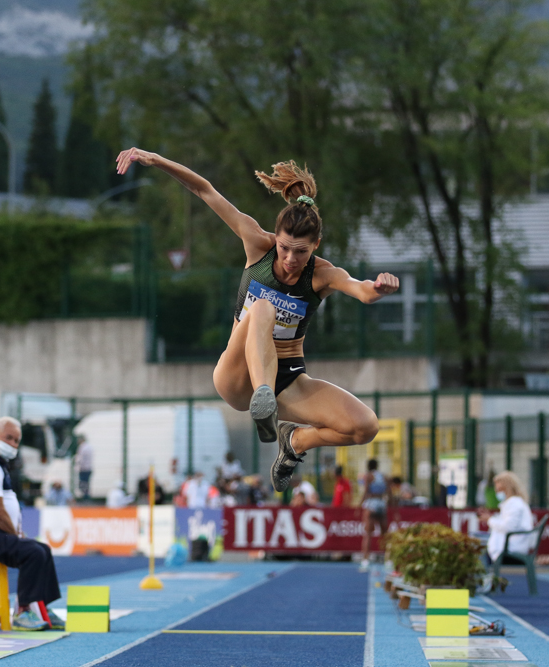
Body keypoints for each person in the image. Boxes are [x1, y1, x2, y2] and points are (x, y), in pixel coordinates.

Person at [116, 150, 398, 494]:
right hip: (238, 376)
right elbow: (205, 190)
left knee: (365, 426)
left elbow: (361, 289)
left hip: (287, 378)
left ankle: (294, 441)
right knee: (263, 308)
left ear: (316, 245)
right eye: (284, 248)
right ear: (275, 238)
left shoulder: (324, 274)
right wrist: (156, 160)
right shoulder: (257, 245)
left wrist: (379, 288)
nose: (290, 259)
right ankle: (263, 400)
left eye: (301, 252)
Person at [0, 417, 64, 631]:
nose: (13, 444)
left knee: (42, 549)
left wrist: (16, 533)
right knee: (33, 552)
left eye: (16, 441)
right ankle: (23, 612)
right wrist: (16, 535)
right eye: (8, 438)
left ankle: (41, 607)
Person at [476, 471, 534, 591]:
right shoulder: (513, 503)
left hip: (512, 548)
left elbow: (508, 527)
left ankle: (485, 583)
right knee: (480, 541)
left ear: (508, 488)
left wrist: (489, 519)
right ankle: (487, 582)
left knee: (477, 548)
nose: (497, 492)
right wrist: (491, 518)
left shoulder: (515, 504)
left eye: (500, 489)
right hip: (510, 544)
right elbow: (506, 523)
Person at [359, 459, 391, 571]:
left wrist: (359, 506)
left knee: (368, 534)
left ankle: (365, 561)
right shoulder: (384, 476)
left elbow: (366, 491)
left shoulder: (368, 476)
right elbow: (389, 492)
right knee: (385, 534)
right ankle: (388, 560)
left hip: (371, 504)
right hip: (381, 503)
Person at [74, 436, 92, 501]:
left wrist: (77, 466)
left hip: (83, 468)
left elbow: (80, 458)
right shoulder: (89, 447)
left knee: (83, 483)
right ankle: (86, 495)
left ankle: (85, 496)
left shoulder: (82, 447)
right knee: (86, 483)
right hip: (88, 468)